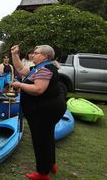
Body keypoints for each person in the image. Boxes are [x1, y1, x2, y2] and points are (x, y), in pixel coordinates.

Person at [11, 44, 66, 180]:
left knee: (40, 140)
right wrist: (15, 54)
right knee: (47, 137)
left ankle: (42, 173)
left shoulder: (45, 69)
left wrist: (19, 85)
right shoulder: (39, 67)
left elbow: (38, 89)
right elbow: (21, 69)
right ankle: (50, 164)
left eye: (36, 53)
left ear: (45, 56)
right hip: (48, 109)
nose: (32, 55)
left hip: (45, 112)